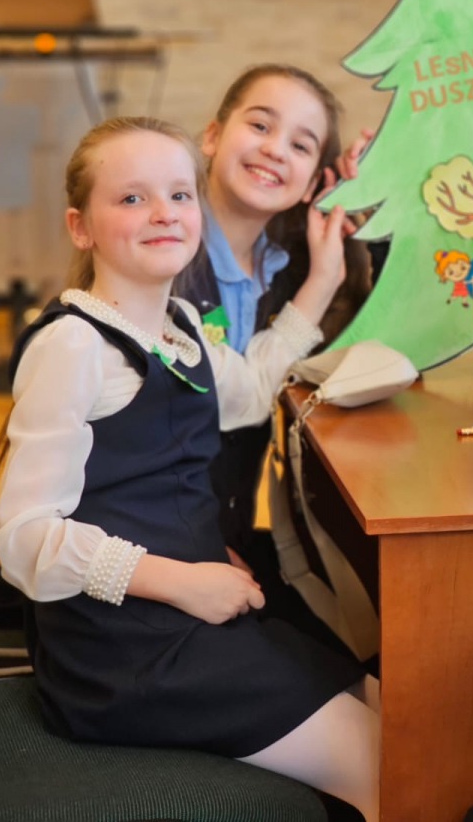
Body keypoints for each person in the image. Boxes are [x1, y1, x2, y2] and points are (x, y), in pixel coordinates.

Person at [0, 117, 379, 819]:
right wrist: (185, 581)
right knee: (392, 766)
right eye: (131, 198)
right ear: (81, 228)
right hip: (121, 651)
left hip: (191, 614)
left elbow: (252, 390)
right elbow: (21, 537)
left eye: (178, 195)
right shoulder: (74, 345)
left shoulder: (181, 326)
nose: (164, 212)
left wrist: (325, 277)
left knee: (392, 707)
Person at [177, 63, 371, 598]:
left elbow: (364, 336)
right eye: (260, 125)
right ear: (212, 137)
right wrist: (321, 283)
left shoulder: (284, 269)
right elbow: (230, 401)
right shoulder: (166, 255)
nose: (275, 149)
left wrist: (360, 208)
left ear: (314, 182)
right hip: (158, 543)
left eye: (301, 145)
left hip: (228, 536)